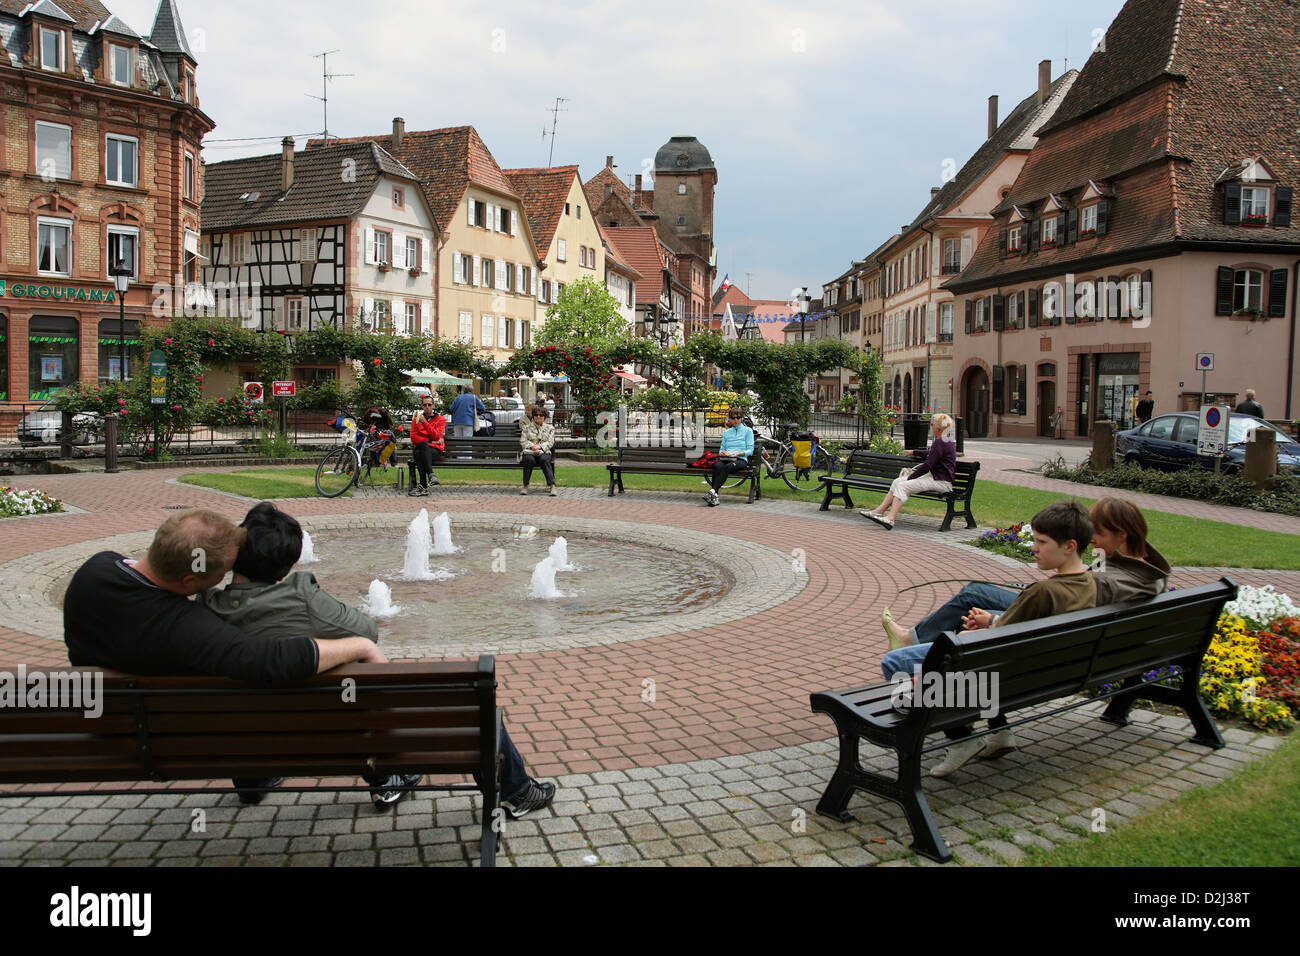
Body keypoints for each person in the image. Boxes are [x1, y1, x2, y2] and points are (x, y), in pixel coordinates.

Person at [197, 504, 557, 816]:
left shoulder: (201, 611)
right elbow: (367, 629)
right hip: (345, 734)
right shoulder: (299, 597)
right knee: (480, 711)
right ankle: (516, 793)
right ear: (284, 567)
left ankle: (252, 778)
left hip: (247, 737)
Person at [881, 501, 1098, 777]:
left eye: (1042, 542)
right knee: (967, 646)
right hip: (1037, 675)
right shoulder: (1089, 583)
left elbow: (996, 641)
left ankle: (956, 734)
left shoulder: (1043, 591)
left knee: (895, 661)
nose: (1034, 548)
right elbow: (1011, 629)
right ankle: (999, 732)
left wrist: (976, 631)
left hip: (998, 676)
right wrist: (988, 622)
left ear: (1069, 546)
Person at [861, 413, 956, 530]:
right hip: (936, 479)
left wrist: (912, 476)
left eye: (932, 424)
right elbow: (933, 454)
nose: (931, 426)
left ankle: (890, 519)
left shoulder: (940, 442)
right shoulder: (947, 440)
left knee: (903, 486)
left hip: (941, 482)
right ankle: (879, 511)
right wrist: (915, 452)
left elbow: (927, 465)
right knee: (897, 482)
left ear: (937, 428)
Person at [704, 408, 753, 507]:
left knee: (728, 467)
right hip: (727, 458)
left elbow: (750, 451)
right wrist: (723, 453)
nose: (736, 420)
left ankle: (713, 491)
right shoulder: (727, 432)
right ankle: (714, 496)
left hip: (740, 460)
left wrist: (738, 454)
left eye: (738, 417)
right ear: (729, 419)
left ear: (741, 418)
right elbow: (721, 449)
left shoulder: (748, 431)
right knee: (717, 465)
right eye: (733, 418)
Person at [408, 395, 445, 497]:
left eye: (429, 404)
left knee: (420, 451)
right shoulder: (416, 419)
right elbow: (413, 437)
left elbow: (437, 436)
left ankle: (423, 486)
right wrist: (430, 440)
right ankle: (431, 475)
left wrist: (425, 423)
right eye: (425, 405)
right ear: (422, 406)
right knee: (421, 450)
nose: (427, 406)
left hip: (435, 451)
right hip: (424, 448)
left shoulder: (440, 420)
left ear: (433, 405)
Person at [519, 405, 557, 496]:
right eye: (536, 415)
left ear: (544, 417)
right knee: (529, 460)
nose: (538, 417)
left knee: (544, 460)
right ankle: (525, 486)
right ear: (533, 416)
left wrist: (539, 447)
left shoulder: (550, 428)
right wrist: (532, 446)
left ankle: (552, 486)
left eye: (541, 415)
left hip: (544, 451)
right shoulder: (526, 428)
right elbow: (523, 441)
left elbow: (550, 442)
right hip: (529, 452)